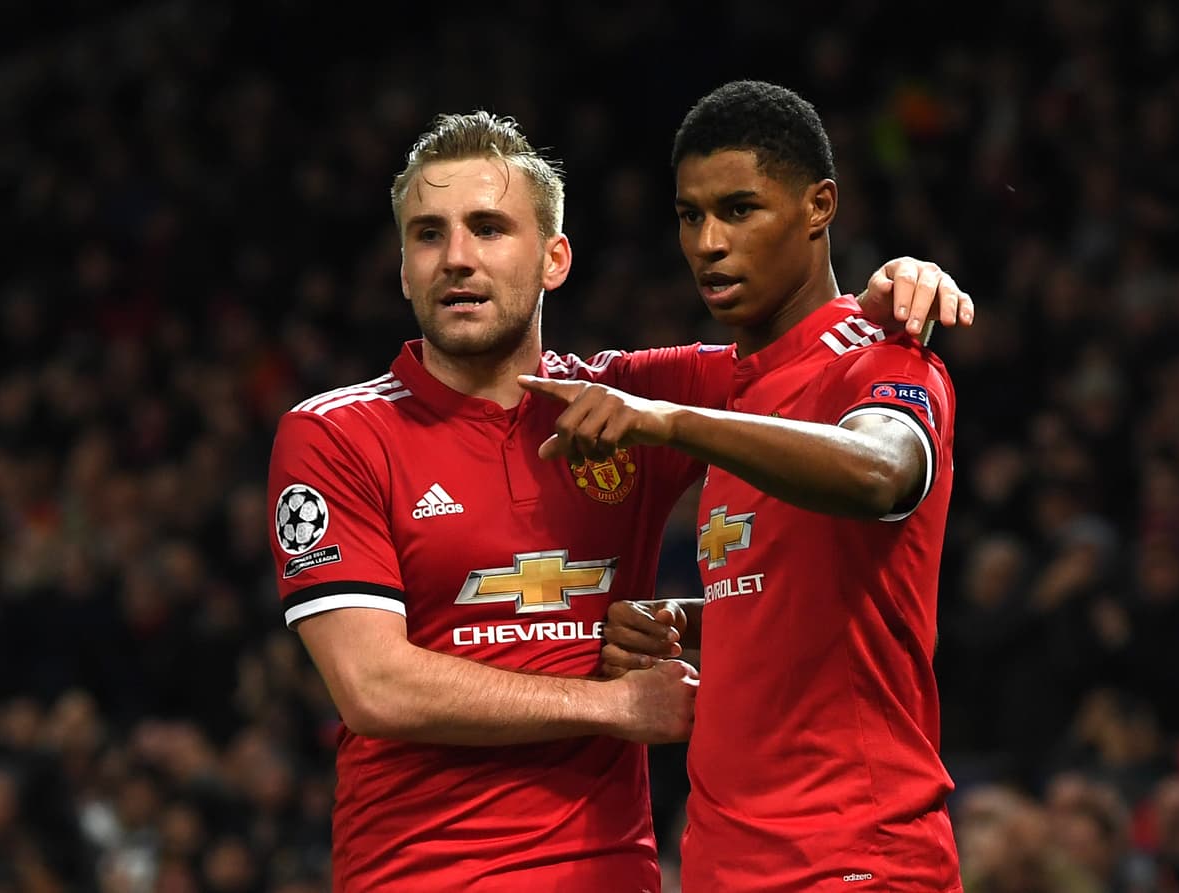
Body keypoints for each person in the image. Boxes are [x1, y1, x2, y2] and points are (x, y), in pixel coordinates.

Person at [267, 108, 972, 890]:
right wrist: (616, 706)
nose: (457, 258)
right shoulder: (337, 434)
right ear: (403, 267)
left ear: (554, 258)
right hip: (420, 873)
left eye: (489, 229)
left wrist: (897, 285)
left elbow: (805, 352)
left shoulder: (630, 399)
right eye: (429, 235)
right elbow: (374, 687)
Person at [520, 80, 964, 890]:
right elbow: (795, 591)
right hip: (726, 861)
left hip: (856, 856)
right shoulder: (738, 393)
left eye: (739, 209)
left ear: (819, 205)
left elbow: (881, 472)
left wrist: (668, 421)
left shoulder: (882, 355)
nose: (708, 243)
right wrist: (687, 620)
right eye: (690, 216)